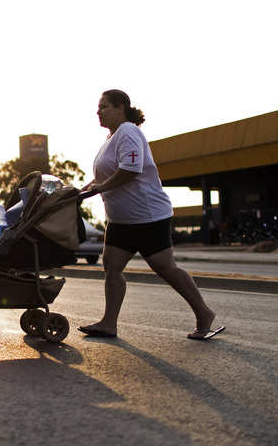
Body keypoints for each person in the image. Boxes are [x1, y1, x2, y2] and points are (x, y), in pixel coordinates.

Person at [78, 89, 220, 340]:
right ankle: (109, 323)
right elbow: (106, 173)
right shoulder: (111, 138)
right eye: (98, 108)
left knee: (165, 268)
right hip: (121, 219)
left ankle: (204, 313)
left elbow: (131, 169)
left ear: (120, 107)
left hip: (146, 216)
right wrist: (87, 188)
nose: (98, 112)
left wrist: (102, 187)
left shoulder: (128, 132)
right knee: (112, 267)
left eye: (104, 107)